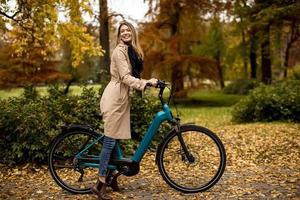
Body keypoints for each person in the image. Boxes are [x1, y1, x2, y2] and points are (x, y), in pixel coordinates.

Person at [91, 21, 157, 200]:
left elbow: (132, 75)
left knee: (114, 139)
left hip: (120, 99)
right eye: (122, 31)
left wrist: (147, 82)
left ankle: (112, 179)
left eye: (128, 30)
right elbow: (126, 78)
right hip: (114, 99)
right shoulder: (119, 52)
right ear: (119, 35)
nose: (126, 33)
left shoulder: (131, 51)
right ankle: (100, 183)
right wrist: (145, 83)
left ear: (133, 33)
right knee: (109, 141)